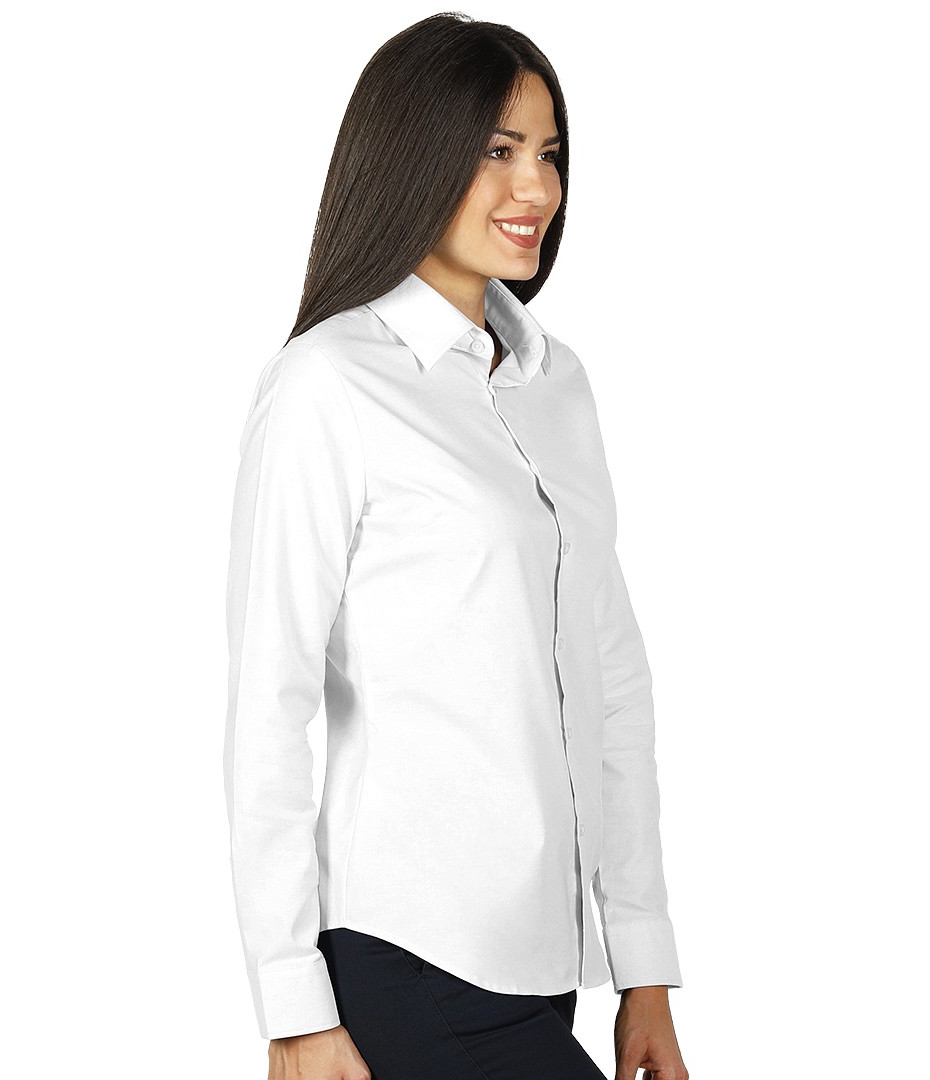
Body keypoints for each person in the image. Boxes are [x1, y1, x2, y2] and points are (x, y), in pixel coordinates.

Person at [223, 13, 689, 1080]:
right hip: (402, 959)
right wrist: (293, 1007)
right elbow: (268, 705)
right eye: (496, 150)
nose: (537, 188)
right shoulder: (328, 385)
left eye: (549, 152)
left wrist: (644, 969)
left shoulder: (556, 385)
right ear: (413, 156)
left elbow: (611, 680)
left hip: (546, 968)